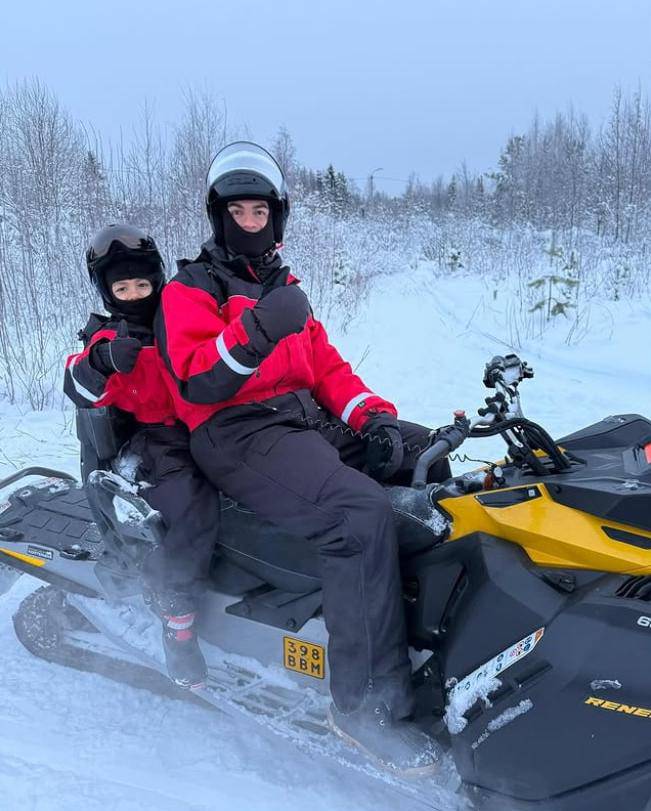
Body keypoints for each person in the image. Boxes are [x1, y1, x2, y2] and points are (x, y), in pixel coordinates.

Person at [155, 142, 450, 776]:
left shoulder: (284, 287)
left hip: (296, 419)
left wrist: (375, 417)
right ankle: (365, 706)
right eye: (238, 211)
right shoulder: (190, 289)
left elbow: (327, 371)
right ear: (218, 216)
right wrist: (258, 329)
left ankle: (430, 638)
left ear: (276, 217)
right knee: (357, 515)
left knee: (428, 458)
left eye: (259, 211)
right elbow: (197, 378)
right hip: (232, 430)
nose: (249, 222)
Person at [64, 224, 218, 689]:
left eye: (143, 285)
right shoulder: (107, 337)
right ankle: (177, 616)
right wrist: (102, 360)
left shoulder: (177, 320)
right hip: (151, 440)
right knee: (194, 506)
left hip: (204, 426)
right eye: (122, 288)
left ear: (158, 281)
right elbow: (76, 383)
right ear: (107, 292)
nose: (133, 295)